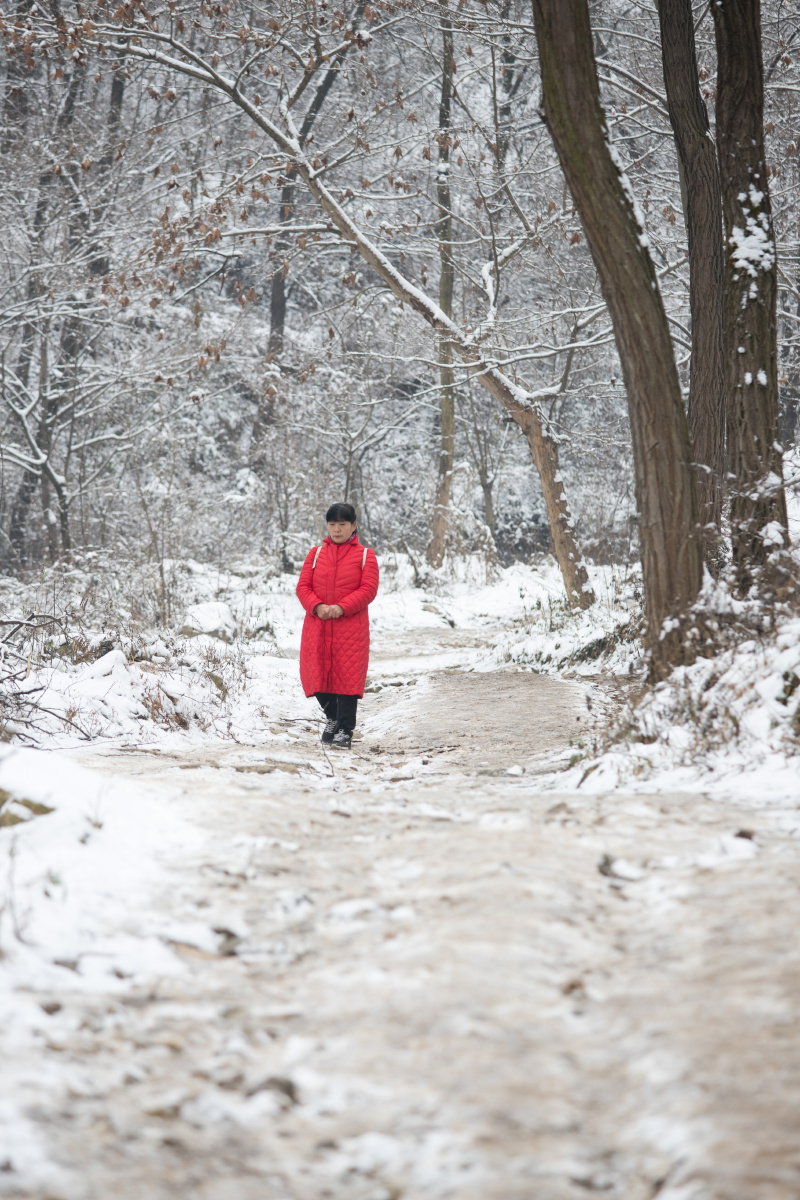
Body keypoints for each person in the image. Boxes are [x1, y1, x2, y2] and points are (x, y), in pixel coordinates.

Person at [296, 503, 380, 749]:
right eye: (332, 524)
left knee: (347, 676)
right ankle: (331, 717)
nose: (337, 529)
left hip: (350, 627)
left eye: (342, 524)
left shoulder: (366, 555)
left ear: (354, 526)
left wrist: (342, 607)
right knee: (316, 672)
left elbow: (368, 589)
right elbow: (303, 587)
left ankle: (345, 728)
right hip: (318, 625)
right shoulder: (316, 554)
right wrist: (317, 606)